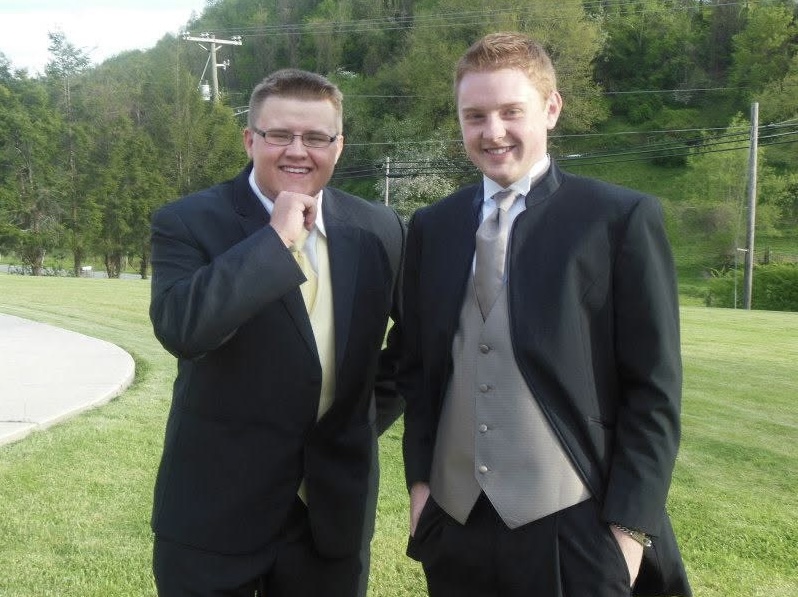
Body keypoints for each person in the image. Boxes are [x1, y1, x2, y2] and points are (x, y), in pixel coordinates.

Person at [400, 32, 691, 597]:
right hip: (455, 526)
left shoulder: (618, 219)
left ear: (551, 108)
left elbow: (654, 388)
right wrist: (420, 489)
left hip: (573, 523)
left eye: (512, 111)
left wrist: (629, 530)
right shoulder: (432, 228)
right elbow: (418, 370)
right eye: (475, 116)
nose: (493, 132)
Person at [149, 68, 404, 597]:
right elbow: (184, 329)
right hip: (214, 515)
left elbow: (413, 348)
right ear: (250, 139)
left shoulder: (379, 229)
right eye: (279, 135)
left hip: (331, 518)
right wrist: (275, 240)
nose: (298, 151)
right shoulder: (188, 221)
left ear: (339, 145)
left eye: (316, 137)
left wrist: (355, 421)